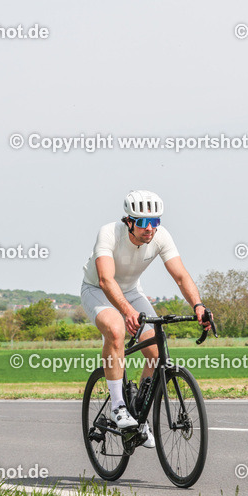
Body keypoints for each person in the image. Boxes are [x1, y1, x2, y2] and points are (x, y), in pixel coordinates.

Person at [80, 190, 211, 448]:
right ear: (129, 221)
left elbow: (181, 276)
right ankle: (118, 406)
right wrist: (127, 311)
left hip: (131, 292)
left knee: (155, 350)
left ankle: (140, 417)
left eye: (155, 222)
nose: (150, 228)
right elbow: (106, 280)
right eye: (142, 222)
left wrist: (198, 305)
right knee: (116, 329)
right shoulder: (109, 233)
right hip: (97, 290)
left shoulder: (161, 237)